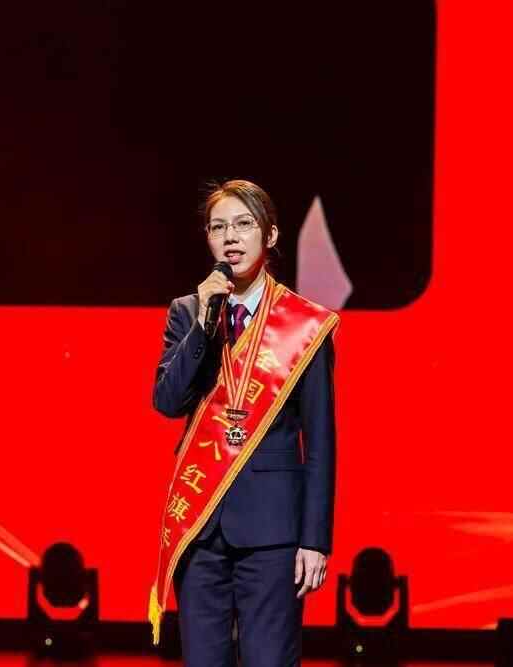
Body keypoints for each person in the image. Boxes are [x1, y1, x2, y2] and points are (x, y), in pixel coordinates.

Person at [147, 180, 338, 666]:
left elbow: (320, 440)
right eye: (218, 228)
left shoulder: (304, 324)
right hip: (201, 526)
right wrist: (202, 325)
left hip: (274, 531)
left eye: (243, 224)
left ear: (270, 235)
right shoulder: (188, 312)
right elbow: (167, 402)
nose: (230, 237)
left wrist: (315, 540)